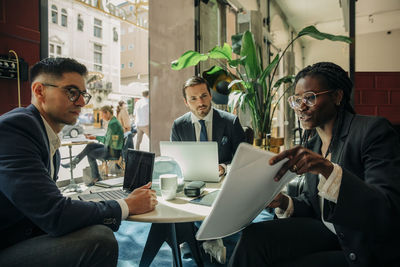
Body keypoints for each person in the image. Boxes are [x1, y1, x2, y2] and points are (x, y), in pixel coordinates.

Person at [229, 62, 400, 267]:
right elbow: (314, 206)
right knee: (254, 237)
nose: (301, 106)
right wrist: (284, 202)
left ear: (337, 97)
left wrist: (328, 170)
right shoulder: (314, 144)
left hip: (363, 245)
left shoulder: (371, 131)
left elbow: (386, 208)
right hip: (331, 232)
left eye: (310, 98)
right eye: (297, 99)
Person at [0, 57, 157, 267]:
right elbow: (54, 214)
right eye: (72, 92)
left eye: (83, 94)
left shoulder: (44, 135)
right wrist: (125, 205)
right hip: (8, 243)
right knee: (99, 240)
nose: (82, 102)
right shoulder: (17, 128)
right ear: (39, 91)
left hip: (24, 233)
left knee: (92, 223)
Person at [171, 76, 245, 264]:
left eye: (204, 96)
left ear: (210, 95)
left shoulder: (231, 122)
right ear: (186, 102)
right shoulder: (179, 126)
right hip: (191, 184)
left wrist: (224, 167)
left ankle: (209, 238)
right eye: (194, 99)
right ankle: (199, 240)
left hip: (224, 183)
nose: (200, 102)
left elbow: (244, 159)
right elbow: (174, 161)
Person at [62, 105, 124, 184]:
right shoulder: (114, 121)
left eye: (102, 114)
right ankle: (74, 163)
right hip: (112, 148)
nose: (101, 117)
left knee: (90, 154)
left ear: (107, 113)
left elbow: (107, 141)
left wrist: (95, 137)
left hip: (113, 151)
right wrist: (94, 137)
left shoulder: (113, 123)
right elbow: (108, 139)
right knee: (90, 145)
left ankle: (96, 178)